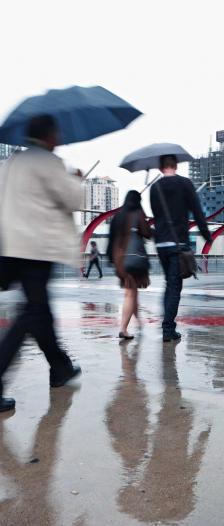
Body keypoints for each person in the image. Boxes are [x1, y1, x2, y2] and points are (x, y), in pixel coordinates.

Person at [0, 115, 82, 413]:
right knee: (31, 313)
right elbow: (72, 199)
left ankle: (60, 368)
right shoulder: (47, 162)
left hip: (12, 247)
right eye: (56, 132)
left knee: (39, 311)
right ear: (48, 135)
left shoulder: (13, 162)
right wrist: (76, 178)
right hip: (36, 248)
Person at [150, 155, 212, 342]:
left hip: (161, 244)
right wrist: (207, 235)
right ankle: (168, 329)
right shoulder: (185, 183)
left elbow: (156, 214)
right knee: (174, 287)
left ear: (161, 168)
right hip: (178, 244)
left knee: (169, 285)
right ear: (175, 165)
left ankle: (167, 326)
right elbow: (197, 211)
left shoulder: (154, 188)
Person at [108, 191, 151, 339]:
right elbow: (148, 233)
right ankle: (123, 329)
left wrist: (113, 260)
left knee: (132, 292)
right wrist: (143, 216)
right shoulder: (137, 214)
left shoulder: (118, 216)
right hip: (134, 259)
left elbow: (111, 240)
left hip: (120, 260)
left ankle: (138, 320)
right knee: (130, 294)